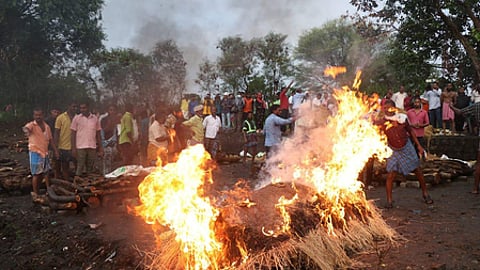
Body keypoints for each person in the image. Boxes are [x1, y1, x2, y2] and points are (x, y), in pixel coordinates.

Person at [376, 100, 433, 208]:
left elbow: (411, 132)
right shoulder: (382, 122)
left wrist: (418, 146)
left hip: (407, 148)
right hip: (392, 150)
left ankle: (425, 194)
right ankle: (389, 201)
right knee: (391, 174)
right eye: (385, 108)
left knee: (417, 170)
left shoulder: (402, 118)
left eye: (389, 108)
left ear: (394, 108)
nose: (387, 110)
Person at [23, 108, 59, 202]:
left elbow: (51, 140)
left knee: (46, 172)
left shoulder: (47, 127)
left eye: (40, 115)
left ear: (43, 115)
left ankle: (48, 190)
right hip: (35, 152)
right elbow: (26, 128)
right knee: (36, 174)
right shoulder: (32, 125)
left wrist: (55, 151)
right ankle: (36, 194)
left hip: (45, 152)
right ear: (34, 116)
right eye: (36, 115)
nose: (38, 117)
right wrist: (26, 132)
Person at [450, 101, 480, 194]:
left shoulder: (477, 106)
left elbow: (460, 112)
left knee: (479, 163)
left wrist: (451, 106)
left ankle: (475, 188)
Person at [71, 101, 103, 178]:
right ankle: (77, 186)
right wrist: (73, 148)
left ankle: (88, 185)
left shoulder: (95, 119)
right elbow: (73, 134)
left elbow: (98, 134)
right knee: (80, 167)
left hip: (92, 146)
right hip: (80, 147)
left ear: (88, 108)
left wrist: (100, 148)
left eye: (84, 108)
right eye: (81, 108)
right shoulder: (77, 118)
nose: (82, 110)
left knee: (90, 168)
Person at [54, 102, 77, 181]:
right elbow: (56, 132)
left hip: (76, 146)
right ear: (68, 106)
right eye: (73, 106)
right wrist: (56, 148)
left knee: (77, 166)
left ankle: (78, 183)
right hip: (63, 146)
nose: (74, 108)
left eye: (76, 107)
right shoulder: (60, 117)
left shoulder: (77, 118)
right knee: (65, 167)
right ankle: (66, 184)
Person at [100, 104, 120, 175]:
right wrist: (110, 123)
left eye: (114, 110)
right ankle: (106, 177)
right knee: (107, 162)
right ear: (108, 111)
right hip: (106, 144)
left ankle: (111, 177)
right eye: (111, 110)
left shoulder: (117, 119)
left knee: (113, 162)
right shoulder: (104, 119)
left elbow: (117, 132)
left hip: (114, 144)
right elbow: (103, 131)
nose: (112, 112)